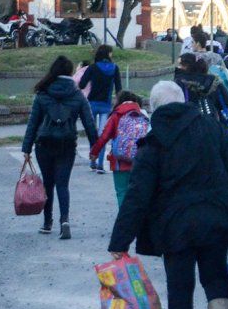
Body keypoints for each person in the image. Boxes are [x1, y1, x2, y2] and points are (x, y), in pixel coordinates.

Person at [108, 80, 228, 309]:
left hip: (174, 228)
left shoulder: (153, 142)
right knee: (216, 278)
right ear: (183, 101)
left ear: (153, 108)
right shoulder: (211, 127)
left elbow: (137, 196)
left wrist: (120, 241)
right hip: (215, 220)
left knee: (179, 287)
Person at [22, 56, 98, 238]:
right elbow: (89, 123)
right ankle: (65, 221)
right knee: (63, 184)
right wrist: (95, 148)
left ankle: (47, 223)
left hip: (44, 144)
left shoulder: (43, 93)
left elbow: (33, 123)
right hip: (67, 144)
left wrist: (27, 148)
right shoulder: (77, 94)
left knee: (48, 184)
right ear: (71, 72)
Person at [89, 90, 146, 207]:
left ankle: (124, 216)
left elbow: (104, 136)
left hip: (119, 162)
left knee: (121, 191)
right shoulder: (142, 115)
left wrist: (94, 153)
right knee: (137, 193)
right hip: (139, 161)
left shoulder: (116, 115)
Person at [78, 44, 122, 174]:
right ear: (108, 54)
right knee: (103, 135)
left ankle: (93, 161)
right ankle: (101, 164)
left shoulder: (92, 67)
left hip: (92, 103)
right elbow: (119, 89)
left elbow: (82, 84)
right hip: (106, 105)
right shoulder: (115, 68)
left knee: (92, 133)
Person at [174, 53, 228, 124]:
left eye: (179, 64)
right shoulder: (213, 80)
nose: (177, 67)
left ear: (185, 66)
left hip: (189, 124)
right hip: (213, 123)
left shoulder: (179, 82)